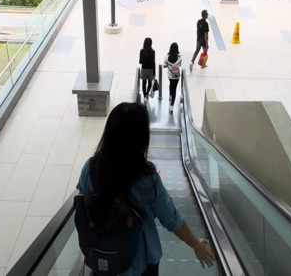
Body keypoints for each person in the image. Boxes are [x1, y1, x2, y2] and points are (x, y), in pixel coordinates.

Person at [77, 103, 215, 275]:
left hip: (101, 257)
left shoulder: (90, 168)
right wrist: (195, 244)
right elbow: (171, 218)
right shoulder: (148, 181)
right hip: (140, 264)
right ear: (141, 140)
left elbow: (83, 201)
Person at [164, 43, 182, 112]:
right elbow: (180, 65)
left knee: (171, 84)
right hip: (176, 75)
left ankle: (170, 95)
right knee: (174, 88)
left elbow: (165, 65)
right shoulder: (180, 57)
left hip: (170, 75)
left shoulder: (166, 57)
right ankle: (172, 105)